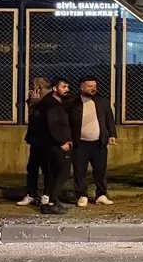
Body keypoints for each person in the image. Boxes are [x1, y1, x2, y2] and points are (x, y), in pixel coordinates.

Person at [70, 77, 117, 207]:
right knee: (80, 171)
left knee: (100, 170)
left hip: (99, 143)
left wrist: (112, 134)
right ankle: (81, 195)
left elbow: (109, 118)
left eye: (94, 86)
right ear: (81, 87)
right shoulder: (72, 102)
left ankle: (101, 195)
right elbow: (66, 122)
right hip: (80, 143)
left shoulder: (102, 101)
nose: (93, 88)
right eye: (89, 86)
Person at [37, 78, 73, 215]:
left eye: (67, 86)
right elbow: (53, 124)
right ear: (54, 88)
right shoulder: (51, 104)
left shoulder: (58, 103)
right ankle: (52, 201)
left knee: (52, 173)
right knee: (63, 172)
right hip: (56, 145)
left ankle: (47, 201)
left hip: (52, 144)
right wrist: (62, 141)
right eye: (63, 86)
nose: (67, 89)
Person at [17, 77, 52, 206]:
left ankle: (47, 195)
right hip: (36, 140)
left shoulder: (50, 99)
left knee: (48, 169)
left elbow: (44, 118)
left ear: (39, 87)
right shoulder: (36, 100)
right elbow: (33, 117)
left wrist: (35, 103)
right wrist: (31, 102)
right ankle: (31, 194)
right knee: (32, 168)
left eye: (35, 87)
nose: (33, 90)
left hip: (48, 141)